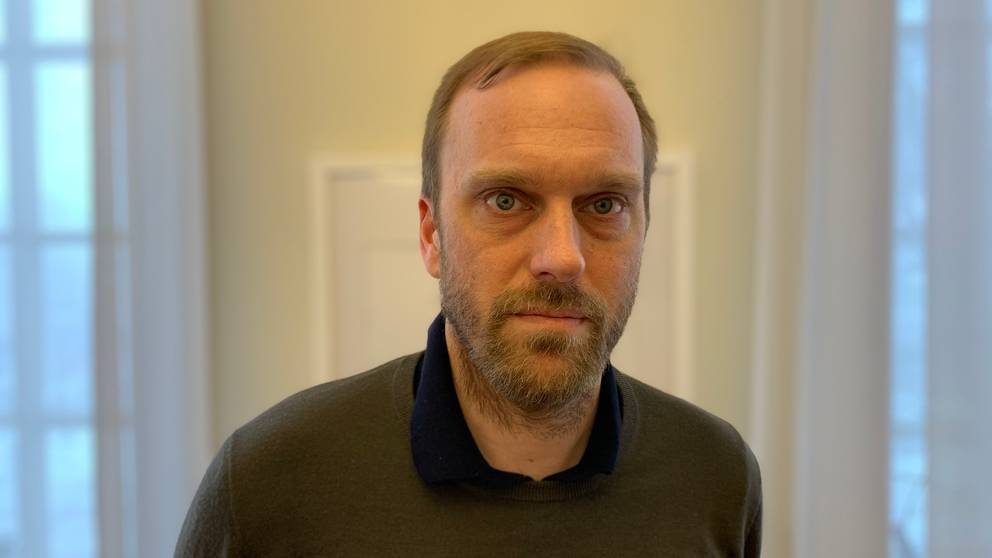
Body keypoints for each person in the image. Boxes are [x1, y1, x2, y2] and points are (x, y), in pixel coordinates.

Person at [176, 31, 761, 557]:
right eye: (506, 200)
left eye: (605, 205)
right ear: (431, 235)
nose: (562, 257)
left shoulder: (716, 478)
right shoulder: (268, 484)